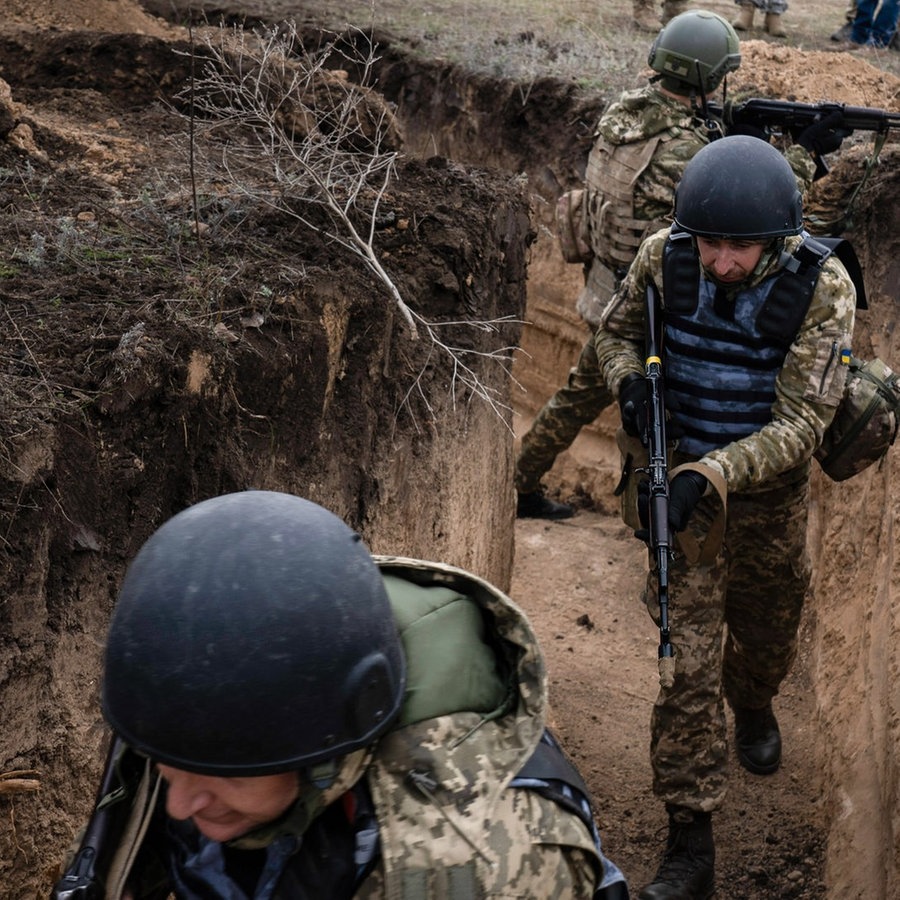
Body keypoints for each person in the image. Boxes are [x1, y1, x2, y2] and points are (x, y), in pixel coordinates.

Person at [54, 490, 630, 899]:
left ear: (324, 739)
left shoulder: (483, 870)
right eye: (169, 768)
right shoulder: (215, 705)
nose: (179, 804)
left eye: (217, 775)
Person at [592, 135, 857, 899]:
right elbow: (614, 334)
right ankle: (690, 839)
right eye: (710, 243)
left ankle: (757, 699)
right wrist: (629, 385)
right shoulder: (663, 258)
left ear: (776, 240)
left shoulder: (823, 288)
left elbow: (805, 423)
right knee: (686, 667)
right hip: (682, 499)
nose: (721, 263)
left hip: (765, 501)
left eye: (740, 248)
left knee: (768, 636)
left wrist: (715, 473)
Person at [515, 9, 821, 520]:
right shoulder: (685, 149)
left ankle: (524, 476)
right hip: (652, 298)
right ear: (708, 77)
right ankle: (639, 506)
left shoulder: (625, 116)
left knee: (580, 393)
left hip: (606, 281)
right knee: (639, 406)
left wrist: (726, 128)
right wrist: (801, 161)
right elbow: (744, 211)